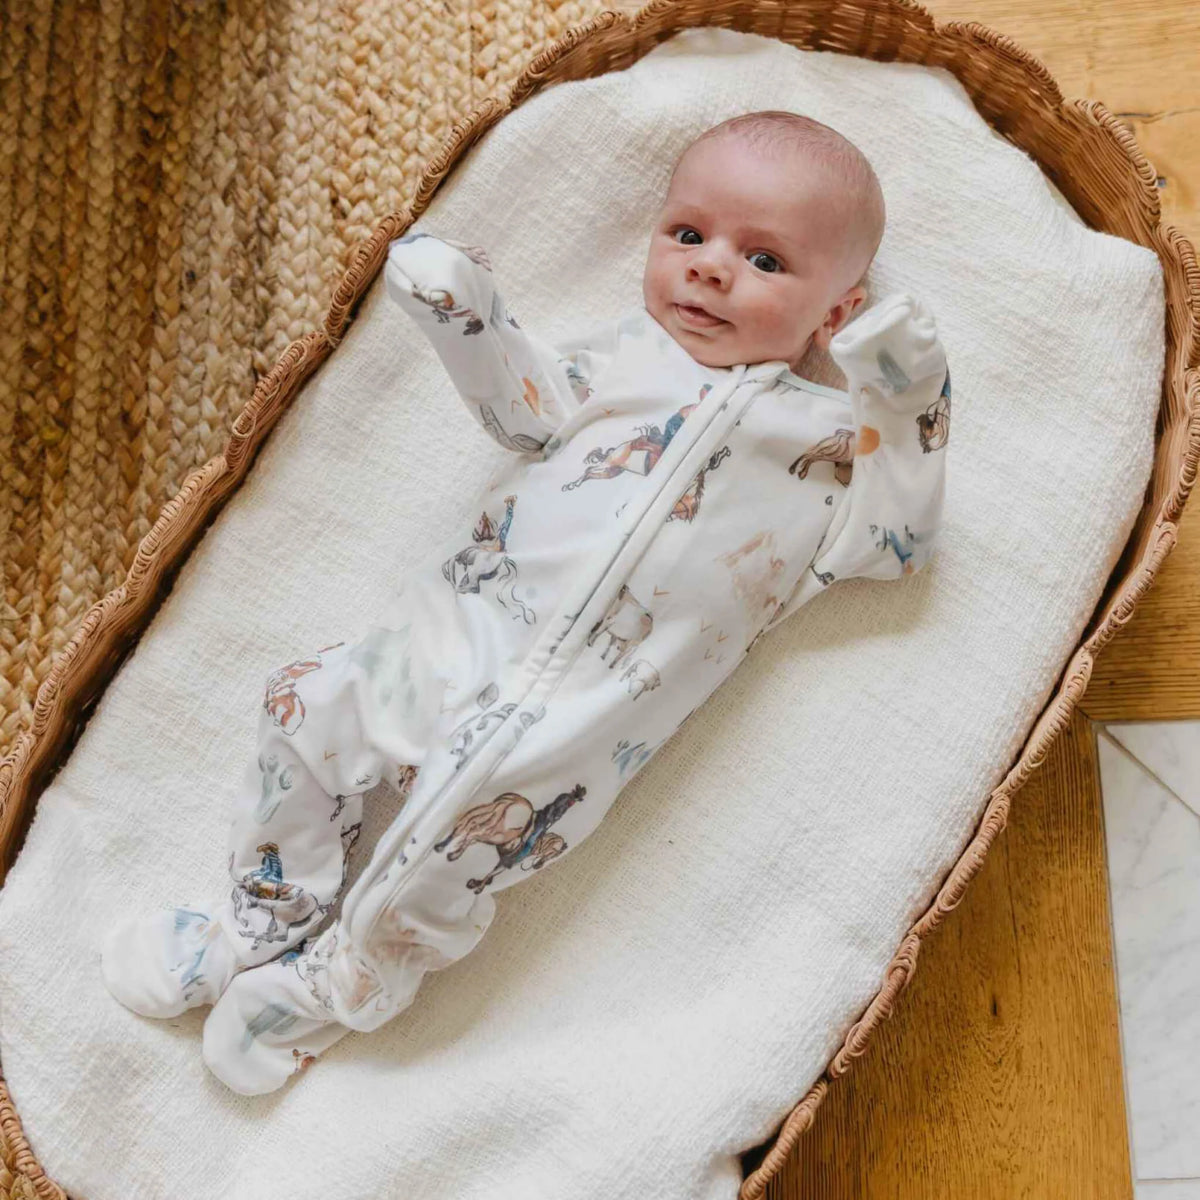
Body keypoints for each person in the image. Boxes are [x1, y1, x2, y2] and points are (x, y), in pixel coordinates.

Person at [100, 109, 951, 1095]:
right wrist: (468, 314)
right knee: (307, 702)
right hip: (458, 630)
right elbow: (525, 406)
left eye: (764, 260)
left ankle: (346, 982)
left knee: (443, 850)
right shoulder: (625, 359)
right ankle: (261, 913)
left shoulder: (831, 451)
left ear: (836, 317)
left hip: (580, 724)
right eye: (688, 235)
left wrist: (902, 396)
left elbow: (899, 545)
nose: (711, 268)